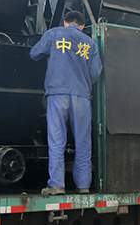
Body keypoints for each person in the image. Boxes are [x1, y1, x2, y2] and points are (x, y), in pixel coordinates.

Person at [30, 10, 103, 196]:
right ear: (82, 25)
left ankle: (57, 185)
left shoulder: (54, 34)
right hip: (81, 97)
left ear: (65, 22)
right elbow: (96, 73)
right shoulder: (90, 43)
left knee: (57, 140)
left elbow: (34, 53)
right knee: (83, 141)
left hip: (57, 94)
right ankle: (83, 185)